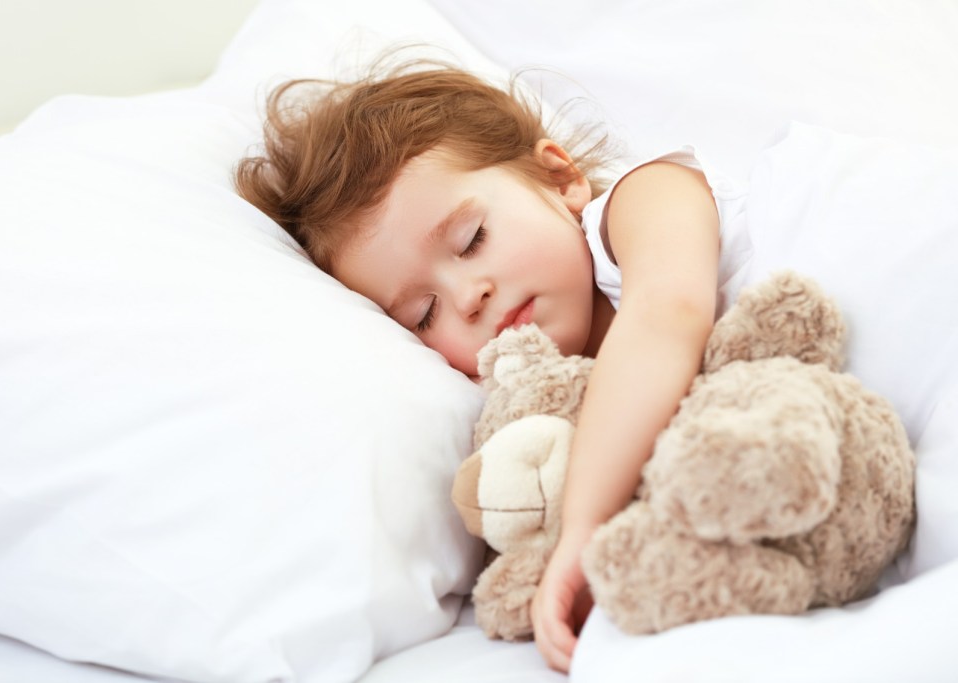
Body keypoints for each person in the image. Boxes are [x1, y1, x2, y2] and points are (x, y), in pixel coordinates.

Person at [236, 58, 751, 673]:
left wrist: (582, 527)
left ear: (559, 178)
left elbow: (669, 314)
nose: (467, 297)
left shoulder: (644, 200)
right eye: (424, 314)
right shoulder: (542, 401)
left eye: (472, 239)